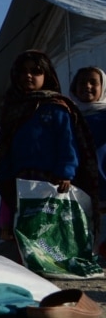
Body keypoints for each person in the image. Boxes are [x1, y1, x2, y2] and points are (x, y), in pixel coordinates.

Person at [0, 50, 97, 242]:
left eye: (36, 71)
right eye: (23, 71)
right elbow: (5, 146)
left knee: (50, 231)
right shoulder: (12, 107)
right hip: (20, 180)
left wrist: (66, 171)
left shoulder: (57, 107)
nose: (28, 76)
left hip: (51, 180)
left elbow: (67, 142)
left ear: (46, 74)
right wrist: (4, 174)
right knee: (24, 232)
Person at [70, 66, 106, 256]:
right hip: (76, 184)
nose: (88, 86)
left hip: (103, 184)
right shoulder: (68, 115)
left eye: (94, 82)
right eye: (82, 82)